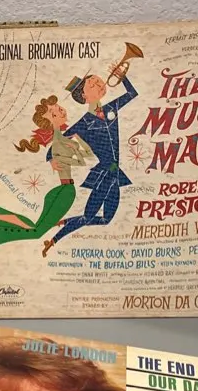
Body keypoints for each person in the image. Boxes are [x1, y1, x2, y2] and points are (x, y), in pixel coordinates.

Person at [0, 96, 94, 259]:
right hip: (63, 193)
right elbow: (82, 161)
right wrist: (75, 147)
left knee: (33, 228)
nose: (61, 110)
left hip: (64, 192)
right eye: (55, 112)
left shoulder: (64, 141)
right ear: (51, 120)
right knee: (35, 231)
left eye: (58, 107)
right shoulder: (59, 144)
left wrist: (77, 140)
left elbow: (88, 155)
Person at [44, 68, 140, 254]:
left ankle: (65, 222)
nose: (99, 84)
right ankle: (53, 240)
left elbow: (132, 93)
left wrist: (123, 77)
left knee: (106, 219)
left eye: (98, 80)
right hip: (104, 173)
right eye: (92, 84)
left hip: (115, 173)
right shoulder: (84, 123)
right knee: (88, 217)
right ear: (84, 96)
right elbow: (58, 142)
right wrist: (51, 159)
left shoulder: (111, 108)